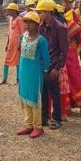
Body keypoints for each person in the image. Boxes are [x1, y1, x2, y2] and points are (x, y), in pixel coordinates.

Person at [15, 11, 50, 139]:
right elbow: (19, 51)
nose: (27, 25)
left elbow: (46, 59)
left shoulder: (41, 41)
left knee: (35, 98)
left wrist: (46, 71)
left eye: (30, 23)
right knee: (24, 96)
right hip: (23, 71)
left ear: (37, 25)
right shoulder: (22, 37)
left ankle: (38, 126)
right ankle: (29, 124)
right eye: (26, 22)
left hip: (35, 72)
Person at [36, 0, 67, 129]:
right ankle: (43, 118)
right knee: (42, 92)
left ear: (48, 12)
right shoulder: (41, 26)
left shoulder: (60, 27)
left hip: (53, 65)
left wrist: (57, 67)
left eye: (40, 12)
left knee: (54, 93)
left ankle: (56, 119)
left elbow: (64, 50)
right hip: (42, 64)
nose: (38, 14)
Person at [60, 0, 81, 118]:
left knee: (76, 80)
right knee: (63, 84)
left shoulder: (71, 24)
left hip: (71, 56)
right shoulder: (53, 26)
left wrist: (72, 48)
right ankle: (64, 109)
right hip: (61, 57)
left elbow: (79, 39)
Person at [1, 3, 24, 84]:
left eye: (9, 10)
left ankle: (18, 79)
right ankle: (4, 79)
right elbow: (9, 32)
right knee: (6, 60)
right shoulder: (10, 19)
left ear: (14, 11)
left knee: (18, 62)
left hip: (17, 44)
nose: (7, 11)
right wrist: (7, 43)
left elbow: (22, 33)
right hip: (11, 43)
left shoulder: (19, 19)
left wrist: (20, 44)